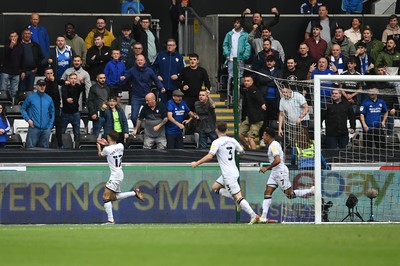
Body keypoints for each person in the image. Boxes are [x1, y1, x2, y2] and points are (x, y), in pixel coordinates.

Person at [191, 121, 260, 225]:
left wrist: (197, 163)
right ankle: (238, 201)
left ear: (216, 130)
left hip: (228, 174)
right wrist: (235, 153)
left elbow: (210, 156)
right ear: (227, 130)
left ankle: (253, 215)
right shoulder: (232, 140)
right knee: (215, 188)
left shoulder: (216, 142)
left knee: (238, 197)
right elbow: (242, 152)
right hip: (233, 171)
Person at [258, 127, 314, 223]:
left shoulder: (273, 146)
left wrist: (266, 168)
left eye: (264, 135)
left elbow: (278, 160)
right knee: (267, 192)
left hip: (280, 173)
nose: (262, 137)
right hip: (275, 172)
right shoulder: (273, 145)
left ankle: (311, 190)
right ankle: (263, 216)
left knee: (290, 195)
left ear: (267, 135)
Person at [96, 129, 144, 225]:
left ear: (109, 137)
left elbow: (100, 155)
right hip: (120, 173)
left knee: (105, 197)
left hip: (115, 176)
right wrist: (107, 144)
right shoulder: (121, 146)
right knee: (113, 197)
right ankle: (134, 193)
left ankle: (110, 220)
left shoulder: (106, 149)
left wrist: (99, 147)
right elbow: (113, 149)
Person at [123, 54, 164, 126]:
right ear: (136, 61)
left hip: (147, 97)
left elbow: (156, 80)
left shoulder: (149, 70)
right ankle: (136, 131)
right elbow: (125, 77)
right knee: (134, 117)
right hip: (136, 97)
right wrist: (123, 78)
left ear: (144, 61)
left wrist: (161, 87)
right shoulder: (132, 70)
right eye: (138, 60)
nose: (139, 61)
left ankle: (147, 130)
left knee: (151, 116)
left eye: (141, 60)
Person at [222, 17, 251, 103]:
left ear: (240, 24)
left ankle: (239, 97)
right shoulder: (230, 34)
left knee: (239, 78)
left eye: (238, 23)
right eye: (235, 23)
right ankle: (230, 96)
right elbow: (225, 45)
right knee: (231, 77)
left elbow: (247, 46)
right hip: (231, 59)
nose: (236, 24)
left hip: (240, 60)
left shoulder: (245, 34)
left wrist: (245, 57)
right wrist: (226, 55)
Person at [20, 79, 55, 148]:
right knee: (30, 149)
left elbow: (52, 112)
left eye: (44, 85)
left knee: (45, 151)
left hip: (46, 129)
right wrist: (28, 120)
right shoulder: (30, 97)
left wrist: (50, 125)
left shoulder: (49, 98)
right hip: (34, 127)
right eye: (40, 85)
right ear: (36, 86)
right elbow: (22, 109)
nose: (42, 87)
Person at [152, 38, 185, 103]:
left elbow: (184, 71)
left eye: (172, 45)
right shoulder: (160, 55)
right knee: (162, 105)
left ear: (175, 46)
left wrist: (178, 75)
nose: (170, 46)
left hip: (174, 87)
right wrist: (157, 75)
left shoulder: (179, 57)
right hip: (162, 86)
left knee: (173, 106)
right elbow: (153, 68)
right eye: (168, 45)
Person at [239, 75, 265, 150]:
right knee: (239, 134)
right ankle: (247, 148)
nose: (246, 82)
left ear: (252, 82)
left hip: (257, 119)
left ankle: (254, 154)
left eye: (248, 81)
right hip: (249, 118)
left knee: (250, 137)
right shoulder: (247, 90)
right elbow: (241, 90)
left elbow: (260, 98)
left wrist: (263, 104)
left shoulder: (254, 90)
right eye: (245, 81)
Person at [0, 30, 25, 103]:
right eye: (12, 36)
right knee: (3, 91)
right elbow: (5, 56)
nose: (13, 38)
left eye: (15, 36)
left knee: (14, 92)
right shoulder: (6, 45)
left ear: (17, 37)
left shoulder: (21, 46)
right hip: (6, 72)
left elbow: (23, 59)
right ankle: (2, 107)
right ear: (9, 38)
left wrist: (23, 71)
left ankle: (13, 107)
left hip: (16, 72)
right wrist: (11, 46)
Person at [61, 73, 85, 141]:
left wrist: (82, 81)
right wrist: (66, 99)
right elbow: (63, 94)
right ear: (68, 79)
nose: (73, 80)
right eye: (71, 78)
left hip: (75, 113)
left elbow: (82, 88)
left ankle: (77, 147)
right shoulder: (65, 86)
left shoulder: (78, 86)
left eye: (75, 78)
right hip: (65, 113)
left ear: (76, 79)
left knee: (77, 133)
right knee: (62, 131)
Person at [43, 67, 63, 148]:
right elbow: (49, 92)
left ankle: (60, 144)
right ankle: (45, 144)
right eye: (47, 73)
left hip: (56, 107)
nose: (49, 75)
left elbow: (63, 83)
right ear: (44, 74)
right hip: (46, 109)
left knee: (58, 126)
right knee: (47, 127)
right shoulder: (43, 83)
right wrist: (53, 82)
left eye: (51, 73)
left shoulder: (56, 81)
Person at [19, 28, 43, 94]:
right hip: (21, 72)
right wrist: (21, 71)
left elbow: (41, 57)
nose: (27, 35)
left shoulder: (36, 45)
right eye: (25, 34)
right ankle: (20, 103)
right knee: (21, 90)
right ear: (22, 35)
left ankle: (29, 104)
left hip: (32, 71)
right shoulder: (18, 45)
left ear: (31, 35)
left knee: (30, 91)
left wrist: (37, 67)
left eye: (28, 34)